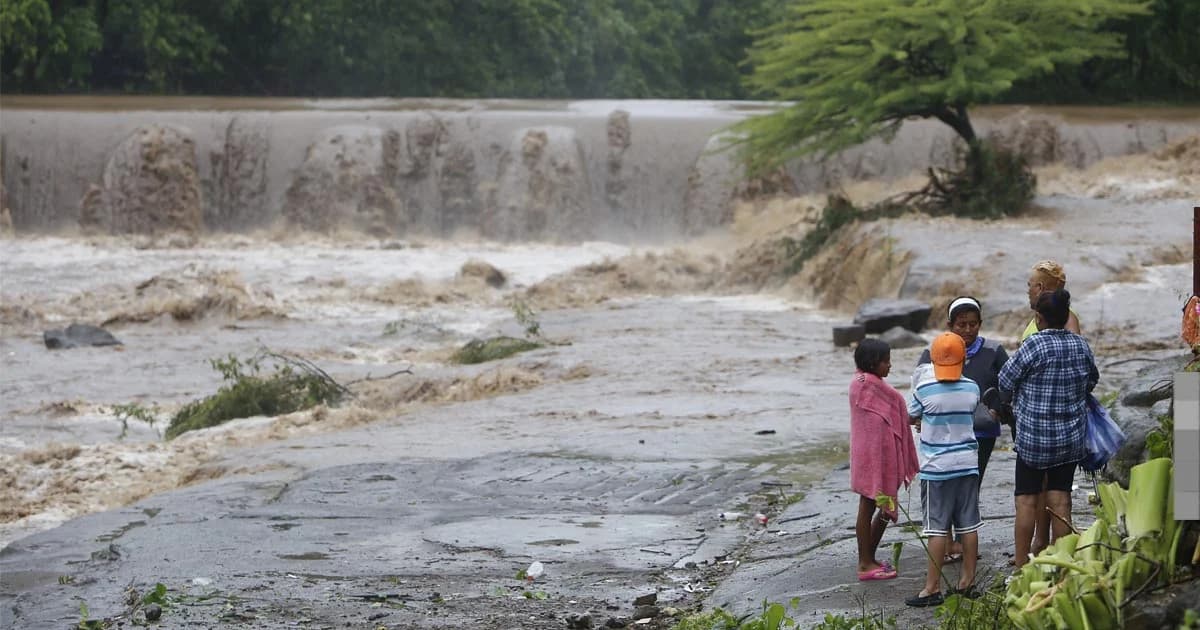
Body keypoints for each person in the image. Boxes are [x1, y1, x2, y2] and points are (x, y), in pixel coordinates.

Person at [1000, 289, 1099, 568]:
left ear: (1039, 318)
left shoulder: (1034, 345)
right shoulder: (1081, 346)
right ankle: (1061, 564)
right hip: (1069, 438)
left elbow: (1005, 380)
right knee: (1060, 498)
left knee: (1027, 501)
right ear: (1067, 316)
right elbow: (1092, 380)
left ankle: (1021, 565)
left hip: (1034, 439)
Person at [915, 297, 1009, 564]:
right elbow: (919, 386)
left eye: (973, 324)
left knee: (970, 485)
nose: (968, 330)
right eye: (961, 325)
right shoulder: (933, 351)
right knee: (943, 485)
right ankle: (946, 541)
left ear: (980, 324)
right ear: (950, 325)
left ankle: (960, 539)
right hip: (940, 435)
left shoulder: (993, 350)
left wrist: (997, 411)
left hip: (980, 434)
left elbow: (1010, 382)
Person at [905, 332, 982, 607]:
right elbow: (969, 413)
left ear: (933, 359)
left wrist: (924, 420)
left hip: (936, 468)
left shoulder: (924, 388)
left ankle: (932, 588)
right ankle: (967, 583)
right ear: (963, 358)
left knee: (937, 528)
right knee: (969, 524)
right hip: (967, 464)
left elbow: (911, 416)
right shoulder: (972, 387)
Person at [1019, 260, 1080, 557]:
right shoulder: (1038, 319)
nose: (1028, 290)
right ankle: (1042, 545)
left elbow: (1074, 370)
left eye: (1030, 285)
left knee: (1043, 493)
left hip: (1046, 423)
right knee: (1050, 492)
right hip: (1042, 420)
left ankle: (1047, 549)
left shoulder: (1065, 322)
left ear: (1041, 288)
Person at [849, 338, 919, 581]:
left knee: (877, 507)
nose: (890, 366)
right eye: (886, 362)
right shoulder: (867, 386)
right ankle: (865, 562)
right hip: (873, 464)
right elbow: (896, 409)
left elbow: (895, 414)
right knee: (869, 506)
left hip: (876, 463)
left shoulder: (863, 383)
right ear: (872, 363)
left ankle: (869, 557)